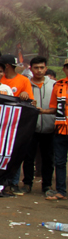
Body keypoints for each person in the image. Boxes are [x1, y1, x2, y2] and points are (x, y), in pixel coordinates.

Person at [14, 56, 54, 194]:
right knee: (28, 157)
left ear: (46, 68)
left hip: (49, 127)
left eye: (42, 67)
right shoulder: (26, 85)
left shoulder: (54, 85)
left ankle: (47, 186)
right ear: (31, 69)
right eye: (36, 68)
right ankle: (27, 184)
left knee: (48, 159)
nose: (39, 71)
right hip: (31, 128)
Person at [41, 58, 68, 201]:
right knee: (59, 161)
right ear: (64, 69)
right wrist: (41, 111)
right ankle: (61, 191)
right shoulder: (59, 85)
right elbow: (54, 108)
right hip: (61, 129)